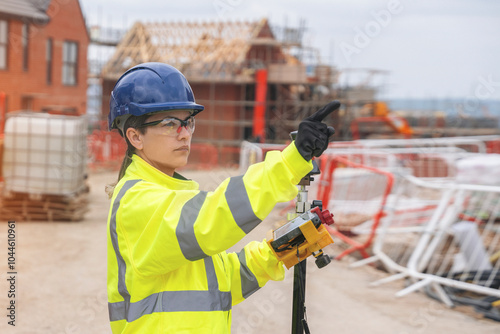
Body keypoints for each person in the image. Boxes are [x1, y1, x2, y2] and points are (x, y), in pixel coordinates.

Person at [106, 62, 338, 333]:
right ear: (135, 136)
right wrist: (288, 165)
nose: (184, 133)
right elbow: (211, 221)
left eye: (188, 122)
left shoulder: (174, 195)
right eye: (170, 123)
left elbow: (220, 283)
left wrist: (280, 249)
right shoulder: (136, 201)